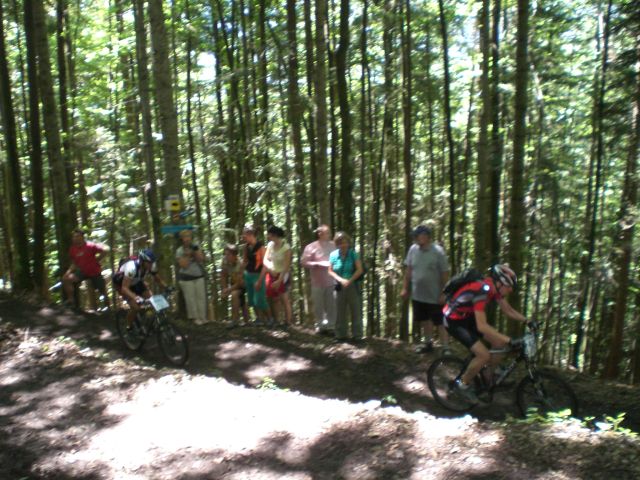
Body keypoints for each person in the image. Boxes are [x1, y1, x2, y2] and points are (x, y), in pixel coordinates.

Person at [442, 263, 529, 403]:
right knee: (483, 355)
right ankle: (462, 385)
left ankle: (488, 375)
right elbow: (482, 326)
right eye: (509, 286)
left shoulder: (493, 289)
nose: (511, 290)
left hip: (467, 318)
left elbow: (508, 310)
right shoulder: (481, 290)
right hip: (453, 321)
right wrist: (509, 340)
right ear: (500, 283)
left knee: (499, 343)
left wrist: (527, 321)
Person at [400, 225, 450, 354]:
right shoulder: (413, 250)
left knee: (440, 321)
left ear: (426, 236)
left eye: (418, 235)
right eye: (415, 236)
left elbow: (445, 273)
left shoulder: (438, 251)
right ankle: (428, 343)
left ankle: (445, 348)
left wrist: (444, 293)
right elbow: (408, 270)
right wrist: (405, 288)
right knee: (424, 319)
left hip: (435, 295)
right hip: (418, 294)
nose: (416, 238)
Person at [112, 249, 168, 328]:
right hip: (122, 284)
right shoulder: (131, 268)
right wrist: (135, 297)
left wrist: (166, 287)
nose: (151, 265)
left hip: (135, 281)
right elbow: (124, 288)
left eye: (152, 262)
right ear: (142, 261)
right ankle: (128, 326)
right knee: (136, 307)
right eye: (149, 263)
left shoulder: (150, 266)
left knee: (152, 300)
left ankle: (145, 320)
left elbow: (157, 279)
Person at [328, 232, 364, 344]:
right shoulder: (333, 255)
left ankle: (357, 336)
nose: (343, 245)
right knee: (340, 311)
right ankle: (340, 335)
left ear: (348, 243)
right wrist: (340, 280)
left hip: (353, 285)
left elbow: (359, 270)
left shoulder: (353, 254)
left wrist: (350, 280)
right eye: (340, 243)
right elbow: (330, 271)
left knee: (355, 310)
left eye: (345, 242)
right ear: (337, 244)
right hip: (339, 286)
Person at [301, 225, 336, 335]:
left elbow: (340, 259)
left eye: (329, 232)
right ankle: (320, 326)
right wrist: (316, 264)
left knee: (331, 305)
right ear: (319, 234)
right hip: (317, 282)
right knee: (318, 305)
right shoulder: (310, 247)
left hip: (332, 281)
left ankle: (331, 326)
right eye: (326, 233)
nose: (328, 235)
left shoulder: (334, 245)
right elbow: (303, 262)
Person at [62, 229, 110, 310]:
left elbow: (105, 250)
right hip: (82, 272)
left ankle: (108, 308)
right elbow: (74, 263)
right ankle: (71, 300)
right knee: (66, 279)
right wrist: (68, 272)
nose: (75, 238)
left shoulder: (90, 245)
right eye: (74, 237)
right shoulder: (72, 249)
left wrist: (98, 259)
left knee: (102, 291)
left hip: (94, 272)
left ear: (82, 237)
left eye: (77, 236)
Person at [257, 226, 293, 328]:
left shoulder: (286, 248)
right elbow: (265, 260)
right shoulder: (270, 245)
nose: (268, 236)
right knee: (273, 298)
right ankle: (277, 320)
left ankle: (288, 322)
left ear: (275, 235)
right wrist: (270, 269)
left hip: (282, 275)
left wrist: (279, 280)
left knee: (284, 298)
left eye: (269, 234)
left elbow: (286, 266)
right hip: (272, 273)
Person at [176, 229, 208, 325]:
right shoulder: (179, 251)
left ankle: (203, 317)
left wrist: (195, 252)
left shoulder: (196, 247)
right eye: (185, 237)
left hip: (199, 276)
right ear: (182, 239)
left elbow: (201, 259)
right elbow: (183, 265)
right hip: (186, 278)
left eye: (188, 236)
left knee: (201, 297)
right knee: (191, 299)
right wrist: (188, 255)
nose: (187, 239)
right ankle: (195, 318)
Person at [241, 224, 269, 324]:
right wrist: (241, 274)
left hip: (258, 275)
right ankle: (258, 318)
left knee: (260, 299)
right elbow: (245, 261)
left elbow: (265, 266)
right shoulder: (246, 247)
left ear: (251, 235)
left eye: (245, 235)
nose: (243, 237)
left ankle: (270, 319)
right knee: (252, 299)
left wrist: (260, 281)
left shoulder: (261, 247)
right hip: (248, 274)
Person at [221, 244, 249, 327]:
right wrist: (224, 289)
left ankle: (235, 320)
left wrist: (228, 290)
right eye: (225, 254)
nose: (226, 256)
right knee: (241, 299)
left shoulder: (240, 264)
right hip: (234, 283)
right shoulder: (225, 261)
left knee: (235, 294)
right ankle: (246, 321)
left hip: (244, 283)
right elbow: (223, 275)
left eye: (228, 254)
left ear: (234, 255)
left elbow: (240, 283)